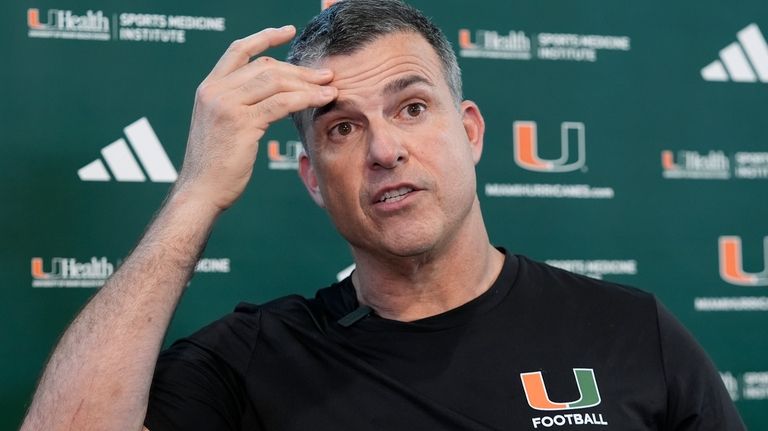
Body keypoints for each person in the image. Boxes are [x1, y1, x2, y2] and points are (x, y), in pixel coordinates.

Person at [21, 1, 745, 430]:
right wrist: (195, 193)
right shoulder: (254, 358)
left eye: (412, 107)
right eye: (341, 128)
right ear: (311, 177)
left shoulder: (629, 330)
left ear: (471, 131)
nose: (385, 149)